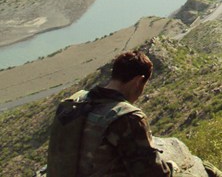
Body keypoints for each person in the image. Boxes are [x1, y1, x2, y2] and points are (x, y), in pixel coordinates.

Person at [47, 50, 177, 177]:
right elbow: (152, 173)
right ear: (138, 81)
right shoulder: (128, 118)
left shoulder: (74, 103)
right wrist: (170, 169)